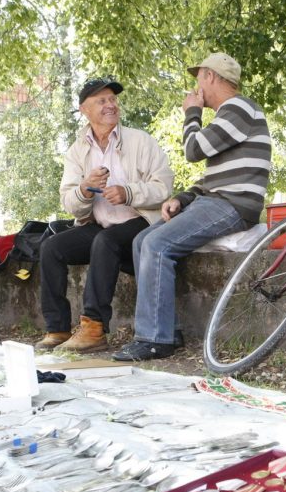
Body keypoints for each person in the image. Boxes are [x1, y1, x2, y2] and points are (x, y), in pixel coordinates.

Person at [114, 53, 271, 361]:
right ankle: (166, 331)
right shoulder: (230, 117)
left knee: (158, 244)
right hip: (216, 199)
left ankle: (154, 339)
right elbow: (212, 178)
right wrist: (182, 198)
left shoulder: (240, 109)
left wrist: (192, 112)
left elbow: (194, 150)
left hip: (233, 205)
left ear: (210, 76)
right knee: (141, 240)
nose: (196, 87)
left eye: (198, 79)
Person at [35, 77, 174, 353]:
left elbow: (164, 187)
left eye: (113, 99)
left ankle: (93, 327)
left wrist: (128, 192)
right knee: (51, 247)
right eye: (102, 101)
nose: (111, 105)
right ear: (84, 110)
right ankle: (58, 328)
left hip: (141, 222)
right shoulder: (78, 151)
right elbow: (70, 202)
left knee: (106, 241)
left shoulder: (140, 141)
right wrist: (85, 190)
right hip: (99, 224)